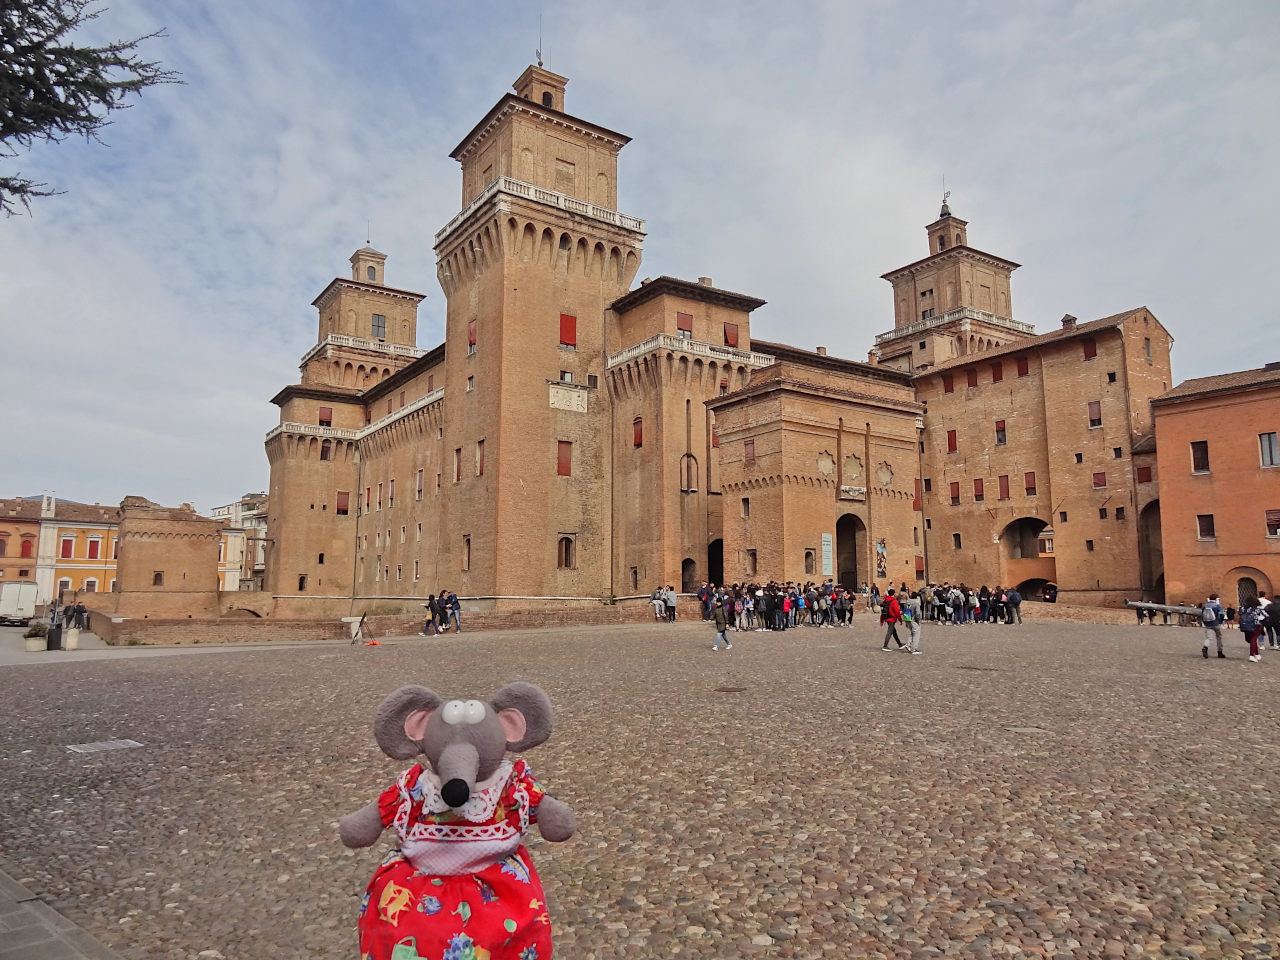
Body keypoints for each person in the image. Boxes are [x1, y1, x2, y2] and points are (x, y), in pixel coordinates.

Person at [1200, 593, 1226, 659]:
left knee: (1208, 637)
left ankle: (1205, 647)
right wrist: (1221, 621)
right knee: (1219, 637)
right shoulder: (1217, 606)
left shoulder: (1204, 605)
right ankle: (1220, 652)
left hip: (1207, 623)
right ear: (1216, 599)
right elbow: (1221, 614)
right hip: (1216, 623)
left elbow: (1201, 614)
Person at [1240, 597, 1264, 662]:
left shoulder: (1242, 608)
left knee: (1252, 640)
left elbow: (1239, 614)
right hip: (1255, 625)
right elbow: (1265, 615)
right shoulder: (1257, 609)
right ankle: (1251, 655)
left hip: (1245, 626)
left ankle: (1257, 654)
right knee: (1253, 639)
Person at [902, 589, 924, 654]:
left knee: (912, 633)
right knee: (916, 635)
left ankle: (908, 645)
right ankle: (914, 649)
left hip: (907, 619)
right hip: (914, 620)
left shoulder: (906, 603)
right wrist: (918, 620)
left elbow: (904, 611)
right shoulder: (916, 604)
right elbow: (917, 613)